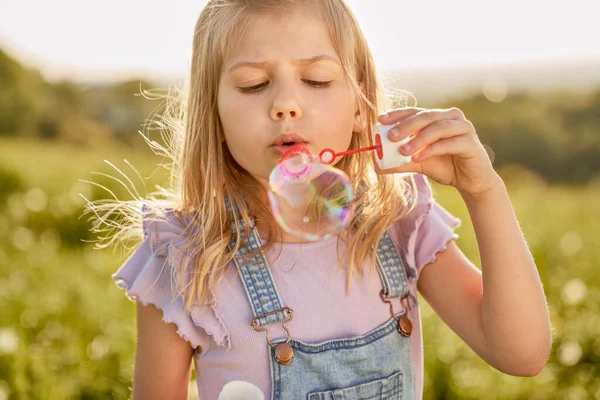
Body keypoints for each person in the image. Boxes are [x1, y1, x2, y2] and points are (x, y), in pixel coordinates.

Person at [97, 0, 552, 399]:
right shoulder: (185, 261)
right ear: (213, 115)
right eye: (254, 84)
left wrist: (484, 192)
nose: (286, 104)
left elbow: (521, 353)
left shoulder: (396, 224)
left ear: (360, 105)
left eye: (316, 80)